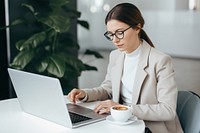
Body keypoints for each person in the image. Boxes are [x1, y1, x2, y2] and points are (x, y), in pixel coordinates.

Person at [68, 3, 183, 133]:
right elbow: (108, 89)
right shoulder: (115, 56)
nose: (115, 40)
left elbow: (167, 110)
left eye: (120, 32)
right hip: (122, 124)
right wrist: (85, 94)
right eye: (111, 34)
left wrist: (123, 108)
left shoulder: (160, 60)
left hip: (150, 127)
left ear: (137, 27)